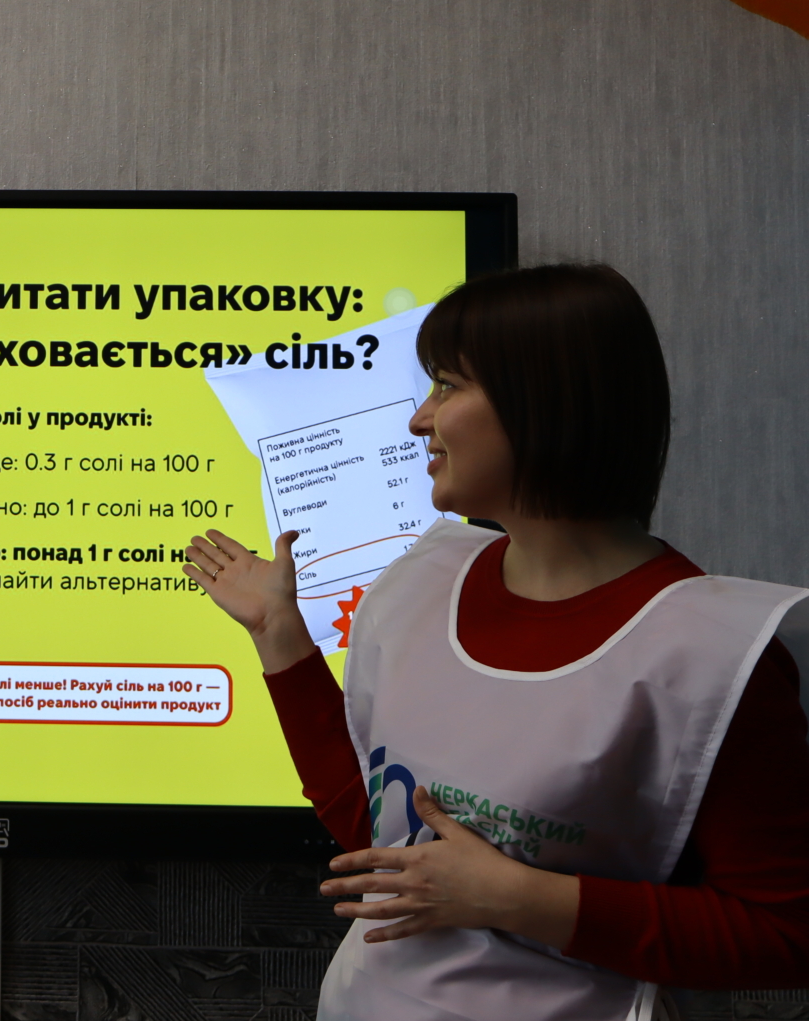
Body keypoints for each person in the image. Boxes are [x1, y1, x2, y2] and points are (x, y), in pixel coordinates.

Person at [183, 264, 809, 1020]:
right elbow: (385, 839)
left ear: (545, 403)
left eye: (447, 386)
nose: (419, 420)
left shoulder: (714, 655)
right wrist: (278, 635)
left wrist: (520, 898)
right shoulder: (417, 585)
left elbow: (786, 935)